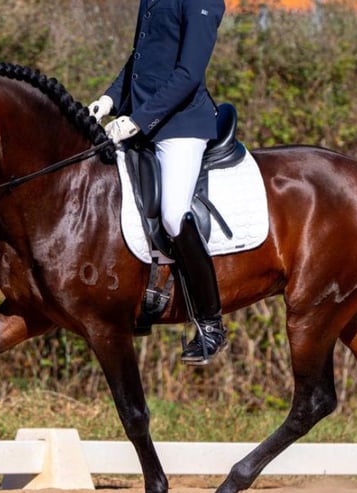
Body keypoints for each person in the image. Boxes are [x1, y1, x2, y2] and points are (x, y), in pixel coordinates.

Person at [88, 0, 227, 365]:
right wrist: (109, 99)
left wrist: (137, 120)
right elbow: (140, 59)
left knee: (172, 214)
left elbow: (188, 74)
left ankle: (211, 322)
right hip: (143, 124)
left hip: (181, 128)